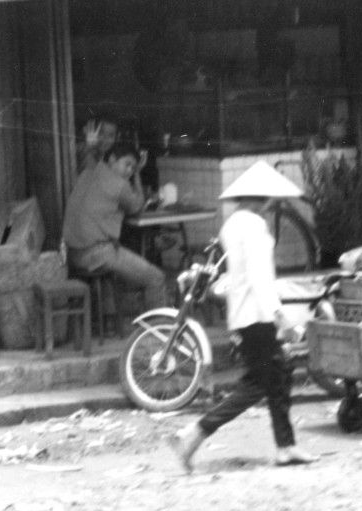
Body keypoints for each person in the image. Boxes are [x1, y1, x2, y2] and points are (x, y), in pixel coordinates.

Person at [168, 161, 316, 472]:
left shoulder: (232, 224)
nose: (270, 205)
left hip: (242, 315)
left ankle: (286, 446)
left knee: (278, 375)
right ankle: (194, 434)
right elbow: (259, 277)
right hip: (258, 315)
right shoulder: (255, 227)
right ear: (262, 197)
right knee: (258, 384)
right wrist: (279, 316)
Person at [62, 143, 167, 311]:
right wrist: (138, 174)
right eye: (127, 164)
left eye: (133, 168)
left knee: (119, 256)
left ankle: (116, 313)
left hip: (72, 254)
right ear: (112, 159)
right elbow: (137, 206)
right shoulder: (119, 184)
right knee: (156, 277)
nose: (129, 171)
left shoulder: (86, 173)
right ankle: (159, 324)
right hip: (97, 254)